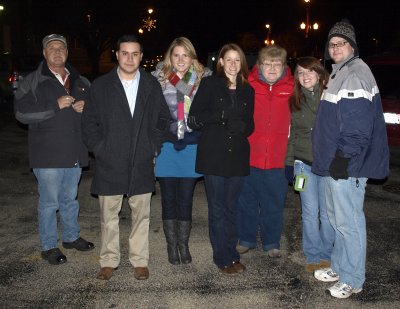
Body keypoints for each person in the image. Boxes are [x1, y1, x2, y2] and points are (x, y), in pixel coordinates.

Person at [82, 34, 170, 281]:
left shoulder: (151, 86)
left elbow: (163, 118)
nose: (129, 58)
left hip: (141, 159)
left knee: (141, 214)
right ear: (117, 55)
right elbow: (89, 122)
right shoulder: (100, 86)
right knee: (108, 215)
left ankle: (139, 261)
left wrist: (153, 145)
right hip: (110, 160)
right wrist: (100, 147)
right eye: (124, 53)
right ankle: (109, 260)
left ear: (141, 57)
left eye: (135, 54)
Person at [312, 20, 389, 298]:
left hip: (348, 165)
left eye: (341, 43)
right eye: (332, 44)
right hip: (337, 163)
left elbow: (357, 127)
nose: (335, 48)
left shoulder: (355, 73)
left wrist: (343, 158)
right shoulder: (339, 72)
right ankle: (340, 267)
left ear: (352, 46)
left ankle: (354, 278)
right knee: (337, 220)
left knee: (349, 223)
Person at [14, 34, 94, 265]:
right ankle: (49, 245)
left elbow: (96, 114)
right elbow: (21, 113)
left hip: (75, 152)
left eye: (62, 48)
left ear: (67, 52)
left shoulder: (81, 81)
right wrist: (54, 106)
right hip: (47, 154)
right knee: (49, 203)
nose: (57, 52)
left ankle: (70, 237)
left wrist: (86, 108)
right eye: (52, 48)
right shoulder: (33, 80)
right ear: (44, 53)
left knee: (70, 199)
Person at [188, 43, 254, 275]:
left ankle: (232, 253)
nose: (233, 64)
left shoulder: (248, 89)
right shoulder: (209, 84)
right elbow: (193, 119)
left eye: (238, 60)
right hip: (214, 154)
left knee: (231, 208)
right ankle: (222, 257)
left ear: (242, 63)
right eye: (229, 59)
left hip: (237, 156)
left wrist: (243, 127)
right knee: (217, 209)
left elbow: (250, 125)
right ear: (221, 62)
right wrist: (221, 115)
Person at [151, 37, 212, 265]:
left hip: (192, 144)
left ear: (192, 57)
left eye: (185, 55)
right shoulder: (158, 80)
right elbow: (153, 115)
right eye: (176, 55)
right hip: (167, 145)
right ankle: (171, 244)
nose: (180, 60)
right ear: (169, 57)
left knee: (186, 198)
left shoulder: (203, 81)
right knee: (168, 197)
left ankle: (183, 245)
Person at [236, 45, 293, 258]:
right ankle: (246, 238)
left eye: (276, 64)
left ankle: (271, 242)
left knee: (274, 204)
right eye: (267, 64)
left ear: (283, 66)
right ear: (259, 66)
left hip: (278, 159)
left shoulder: (292, 88)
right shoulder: (247, 85)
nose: (271, 68)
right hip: (249, 157)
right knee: (246, 202)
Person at [284, 57, 334, 272]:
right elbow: (293, 132)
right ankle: (313, 256)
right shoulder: (294, 100)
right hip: (302, 165)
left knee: (327, 213)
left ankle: (326, 254)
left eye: (309, 72)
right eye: (301, 73)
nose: (305, 76)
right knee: (309, 212)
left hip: (326, 164)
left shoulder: (330, 97)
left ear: (319, 74)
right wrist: (289, 163)